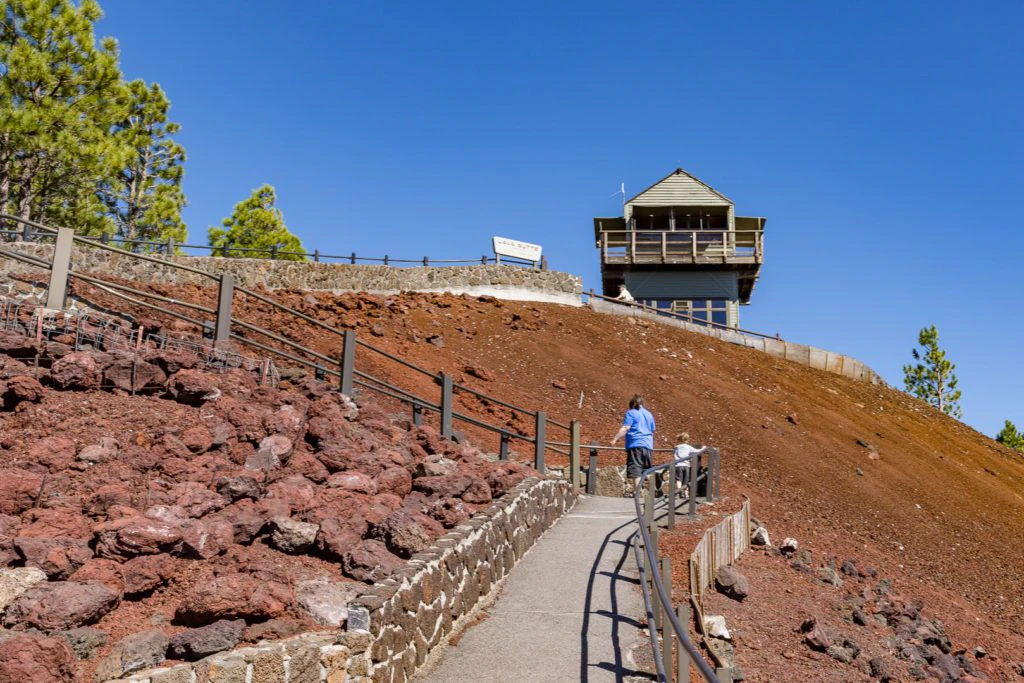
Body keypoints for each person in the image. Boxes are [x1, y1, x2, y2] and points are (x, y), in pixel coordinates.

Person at [610, 394, 656, 495]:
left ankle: (637, 492)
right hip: (648, 445)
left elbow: (626, 428)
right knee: (646, 469)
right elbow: (652, 430)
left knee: (636, 468)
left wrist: (615, 439)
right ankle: (655, 487)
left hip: (636, 444)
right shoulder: (649, 414)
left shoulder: (631, 413)